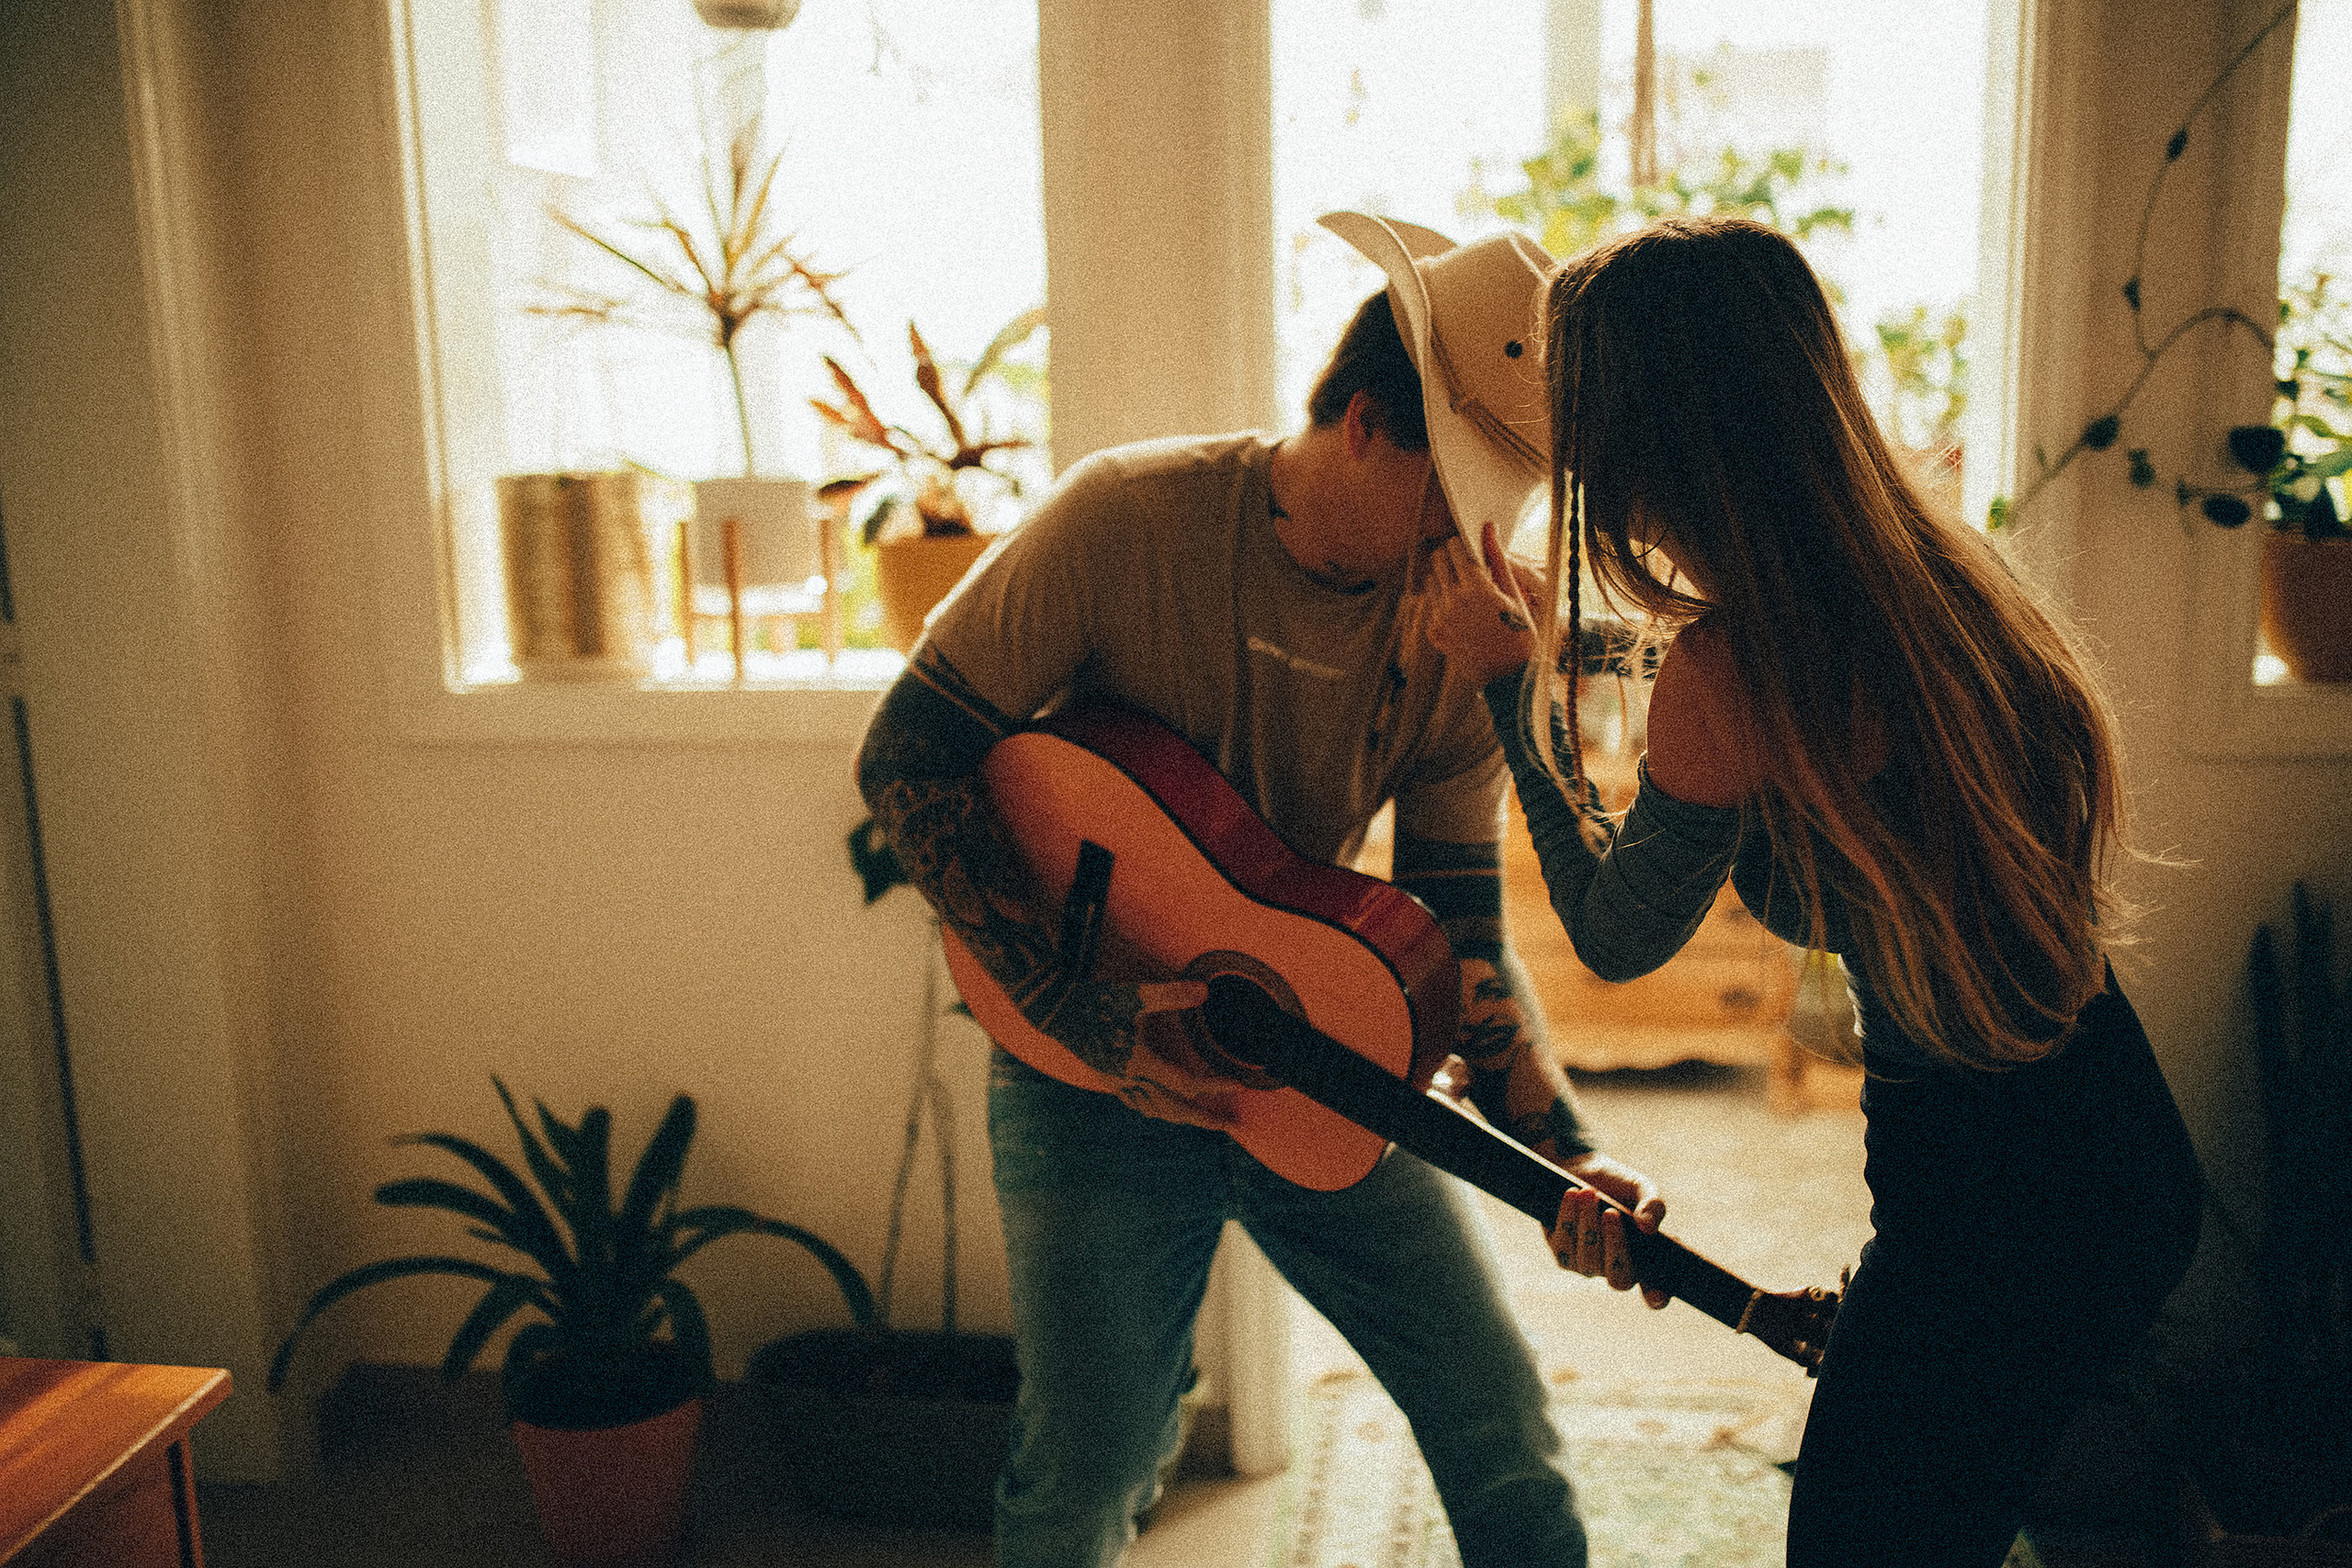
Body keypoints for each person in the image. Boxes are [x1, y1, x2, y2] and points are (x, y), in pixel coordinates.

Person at [854, 212, 1668, 1568]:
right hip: (1083, 1078)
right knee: (1087, 1472)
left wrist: (1569, 1156)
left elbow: (1458, 933)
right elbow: (907, 758)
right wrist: (1097, 1012)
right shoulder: (1125, 518)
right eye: (1454, 487)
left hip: (1318, 1061)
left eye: (1510, 498)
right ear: (1361, 420)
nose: (1478, 538)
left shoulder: (1461, 627)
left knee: (1504, 1428)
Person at [1420, 212, 2207, 1568]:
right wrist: (1567, 651)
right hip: (2118, 1147)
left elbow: (1614, 936)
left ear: (1644, 439)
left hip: (1987, 1201)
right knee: (1950, 1507)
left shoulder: (1735, 673)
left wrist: (1508, 687)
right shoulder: (1952, 585)